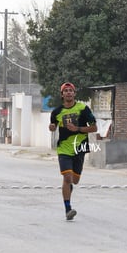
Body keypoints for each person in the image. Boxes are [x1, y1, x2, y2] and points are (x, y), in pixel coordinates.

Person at [49, 82, 97, 221]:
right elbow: (53, 126)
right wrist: (52, 127)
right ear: (62, 94)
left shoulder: (83, 109)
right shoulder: (56, 112)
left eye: (71, 90)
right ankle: (68, 209)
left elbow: (94, 128)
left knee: (74, 180)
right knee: (67, 177)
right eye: (66, 91)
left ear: (74, 94)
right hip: (64, 148)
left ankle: (68, 188)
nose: (69, 92)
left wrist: (78, 129)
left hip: (79, 148)